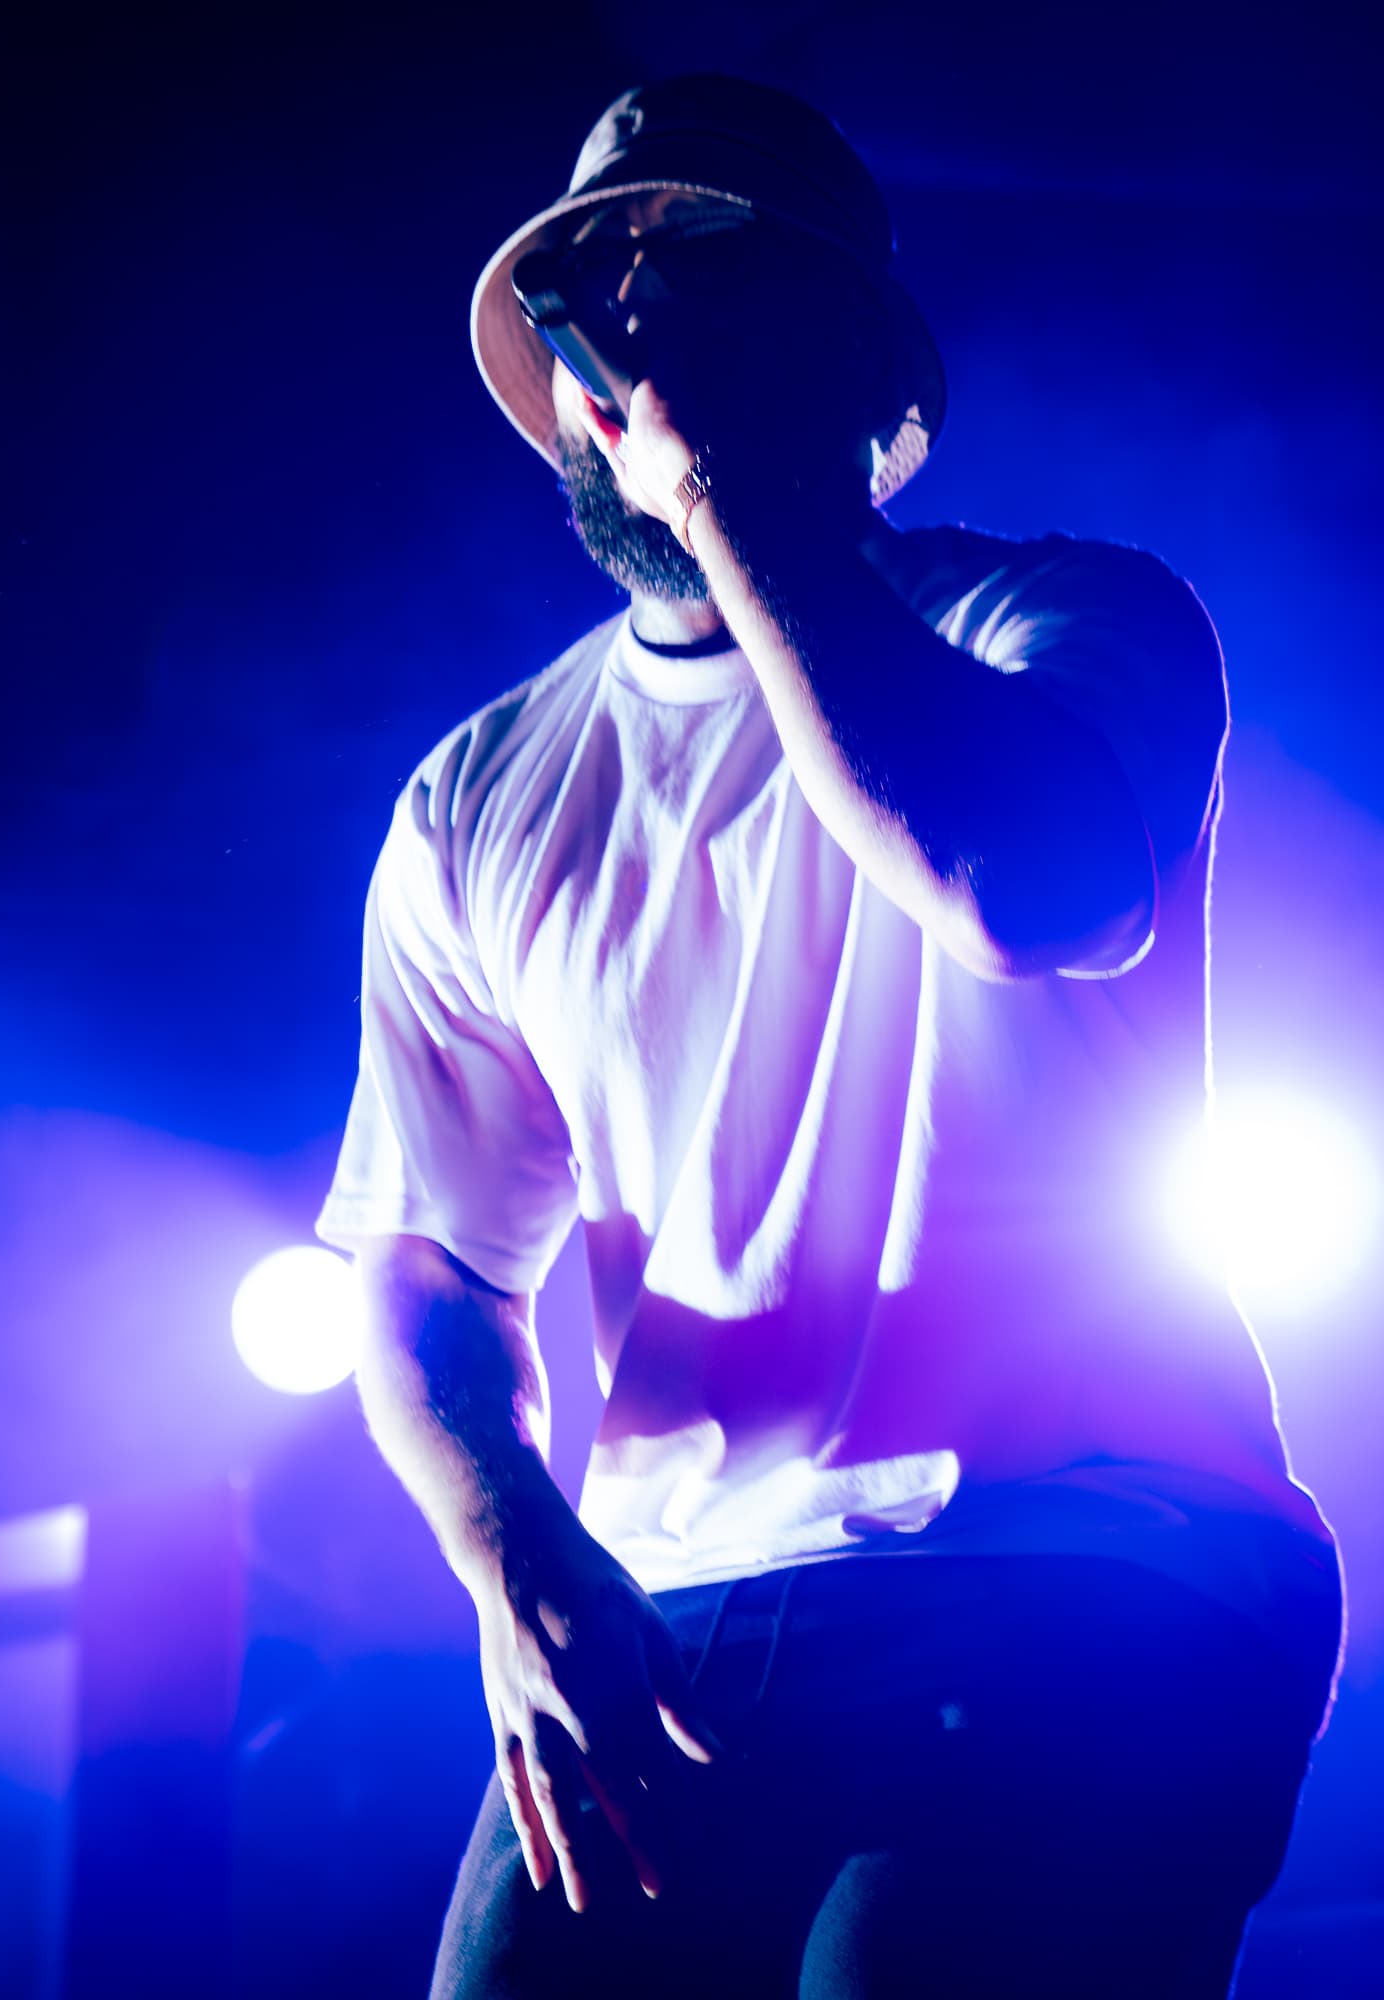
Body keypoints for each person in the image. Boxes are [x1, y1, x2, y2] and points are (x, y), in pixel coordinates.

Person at [317, 74, 1343, 1999]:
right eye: (602, 312)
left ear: (852, 381)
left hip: (1085, 1563)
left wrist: (732, 503)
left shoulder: (1067, 618)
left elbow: (1023, 885)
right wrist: (518, 1565)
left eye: (696, 297)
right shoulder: (477, 796)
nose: (636, 354)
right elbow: (423, 1262)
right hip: (672, 1610)